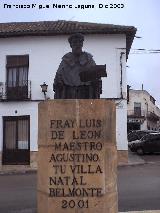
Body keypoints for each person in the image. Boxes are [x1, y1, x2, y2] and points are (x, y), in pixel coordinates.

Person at [53, 33, 102, 99]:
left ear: (82, 44)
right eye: (75, 42)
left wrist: (96, 81)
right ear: (71, 45)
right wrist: (59, 83)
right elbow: (59, 76)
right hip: (69, 93)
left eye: (79, 42)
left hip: (86, 93)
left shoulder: (88, 59)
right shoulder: (66, 60)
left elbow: (96, 76)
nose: (77, 45)